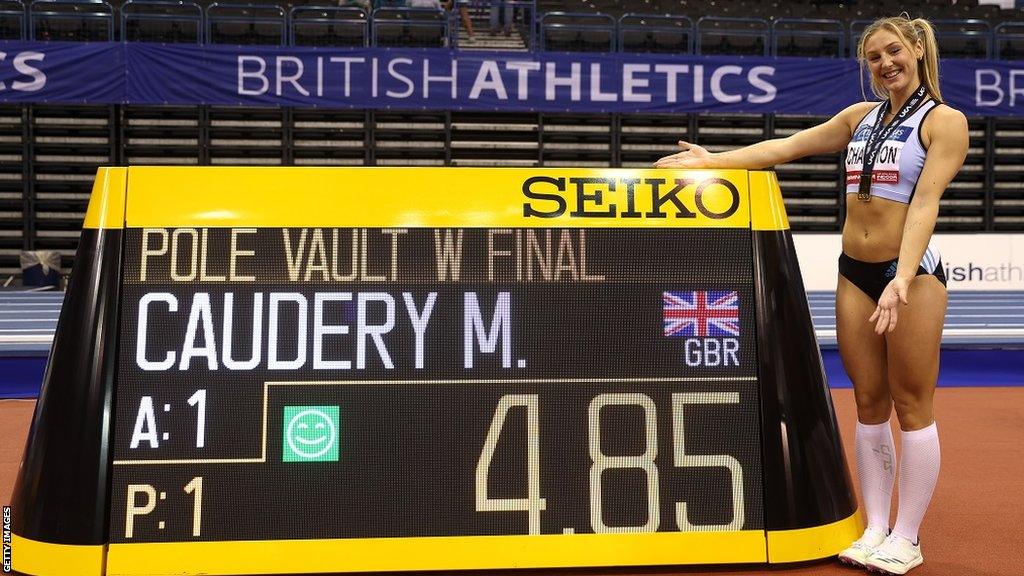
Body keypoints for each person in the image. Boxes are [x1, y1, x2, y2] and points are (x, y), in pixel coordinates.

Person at [654, 15, 967, 576]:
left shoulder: (945, 122)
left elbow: (924, 203)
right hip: (854, 272)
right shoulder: (859, 119)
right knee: (867, 403)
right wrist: (711, 161)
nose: (885, 64)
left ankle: (908, 536)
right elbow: (788, 146)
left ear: (917, 49)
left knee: (911, 403)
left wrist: (902, 277)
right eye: (873, 57)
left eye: (893, 51)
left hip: (910, 276)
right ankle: (874, 528)